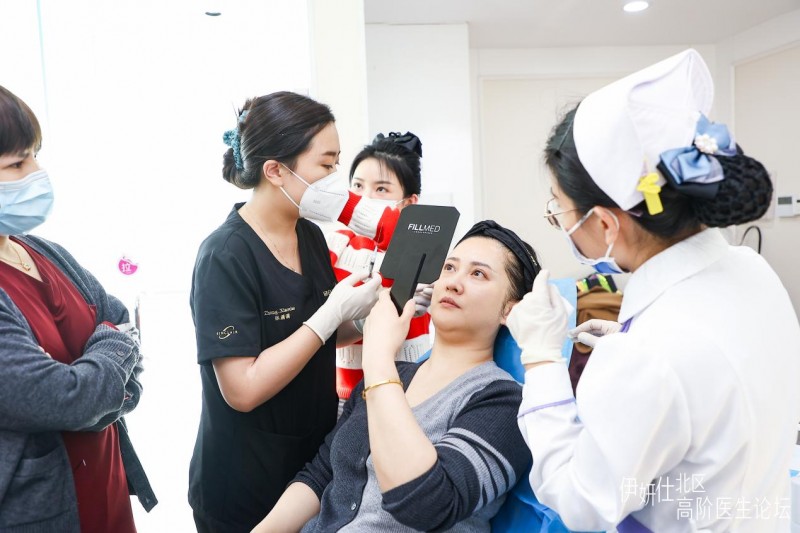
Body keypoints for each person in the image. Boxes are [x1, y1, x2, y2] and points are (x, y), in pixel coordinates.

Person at [508, 49, 800, 532]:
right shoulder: (753, 270)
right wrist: (630, 342)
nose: (559, 221)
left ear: (605, 223)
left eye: (558, 209)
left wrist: (541, 360)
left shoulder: (650, 356)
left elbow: (581, 502)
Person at [253, 220, 536, 532]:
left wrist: (377, 353)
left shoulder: (507, 403)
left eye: (478, 274)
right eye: (449, 268)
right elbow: (321, 475)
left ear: (510, 310)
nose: (454, 283)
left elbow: (427, 503)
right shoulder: (392, 375)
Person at [189, 91, 382, 532]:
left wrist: (366, 313)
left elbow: (316, 335)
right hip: (243, 483)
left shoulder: (308, 236)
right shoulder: (225, 255)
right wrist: (330, 315)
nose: (335, 179)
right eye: (326, 165)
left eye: (336, 164)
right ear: (275, 170)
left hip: (308, 470)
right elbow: (242, 389)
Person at [0, 85, 156, 532]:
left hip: (107, 496)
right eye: (17, 164)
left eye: (35, 156)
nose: (37, 173)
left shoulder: (44, 252)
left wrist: (99, 389)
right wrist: (102, 373)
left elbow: (122, 321)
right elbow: (61, 398)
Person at [312, 131, 432, 414]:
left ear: (409, 202)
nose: (365, 198)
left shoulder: (421, 252)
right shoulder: (332, 245)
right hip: (342, 398)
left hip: (408, 394)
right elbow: (321, 328)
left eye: (381, 189)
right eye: (357, 186)